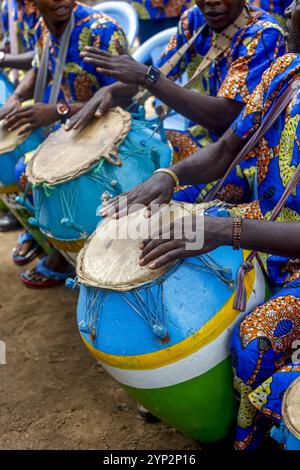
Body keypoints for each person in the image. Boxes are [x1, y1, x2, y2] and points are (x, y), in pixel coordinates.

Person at [97, 0, 300, 449]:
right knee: (159, 229)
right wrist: (169, 177)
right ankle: (177, 380)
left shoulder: (264, 38)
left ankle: (247, 436)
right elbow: (228, 147)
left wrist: (225, 231)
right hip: (266, 217)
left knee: (252, 343)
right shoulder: (286, 70)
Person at [67, 0, 286, 204]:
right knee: (118, 171)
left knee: (146, 204)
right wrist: (112, 90)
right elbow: (161, 75)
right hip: (197, 139)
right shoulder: (194, 19)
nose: (210, 1)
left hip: (241, 160)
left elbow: (223, 118)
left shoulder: (264, 34)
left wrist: (146, 76)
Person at [0, 0, 127, 287]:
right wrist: (17, 96)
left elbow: (126, 95)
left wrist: (58, 110)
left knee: (27, 172)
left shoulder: (102, 31)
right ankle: (54, 243)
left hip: (111, 129)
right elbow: (37, 65)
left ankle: (71, 255)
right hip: (70, 127)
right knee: (25, 166)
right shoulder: (42, 25)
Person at [0, 0, 41, 233]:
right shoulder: (9, 6)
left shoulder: (52, 5)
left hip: (51, 96)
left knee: (27, 168)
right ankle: (25, 217)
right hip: (23, 85)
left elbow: (41, 58)